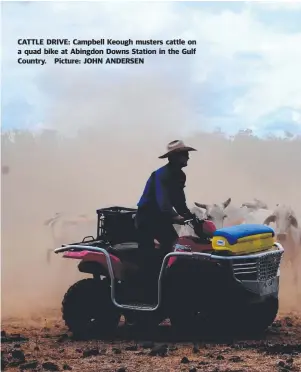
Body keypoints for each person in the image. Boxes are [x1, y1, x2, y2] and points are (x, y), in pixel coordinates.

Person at [135, 140, 197, 281]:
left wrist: (189, 215)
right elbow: (162, 201)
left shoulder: (180, 176)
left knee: (175, 244)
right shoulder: (160, 175)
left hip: (161, 218)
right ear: (174, 157)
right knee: (149, 251)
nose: (188, 157)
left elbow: (179, 201)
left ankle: (167, 276)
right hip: (147, 217)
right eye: (185, 154)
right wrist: (175, 216)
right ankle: (148, 281)